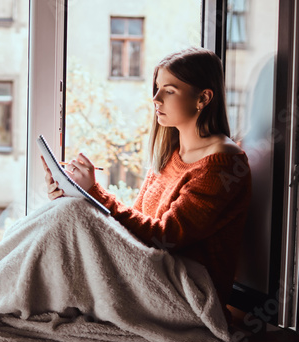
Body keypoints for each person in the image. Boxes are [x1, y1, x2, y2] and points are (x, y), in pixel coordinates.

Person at [42, 47, 252, 323]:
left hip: (187, 294)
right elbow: (135, 226)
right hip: (154, 275)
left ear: (203, 98)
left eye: (169, 90)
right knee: (65, 212)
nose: (155, 99)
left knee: (71, 217)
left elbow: (164, 236)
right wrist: (76, 193)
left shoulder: (222, 164)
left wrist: (95, 193)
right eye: (156, 88)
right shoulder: (172, 155)